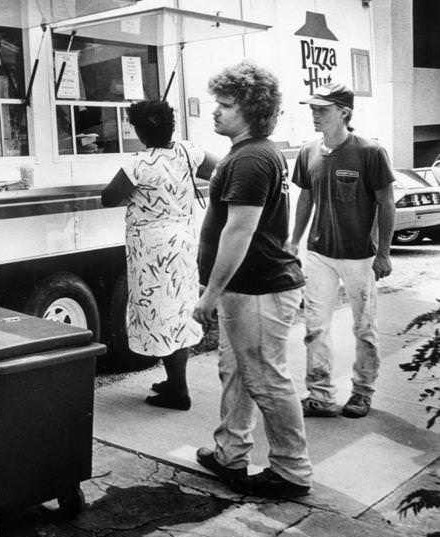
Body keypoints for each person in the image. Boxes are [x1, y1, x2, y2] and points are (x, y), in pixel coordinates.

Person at [192, 61, 312, 499]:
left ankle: (292, 470)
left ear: (251, 109)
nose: (216, 112)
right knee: (237, 373)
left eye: (225, 105)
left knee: (265, 377)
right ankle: (230, 453)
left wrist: (209, 295)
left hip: (260, 289)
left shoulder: (250, 159)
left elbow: (238, 232)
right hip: (249, 290)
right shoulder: (253, 154)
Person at [101, 100, 216, 410]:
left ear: (139, 131)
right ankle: (174, 380)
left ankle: (178, 389)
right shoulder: (188, 152)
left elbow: (108, 198)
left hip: (152, 249)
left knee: (161, 313)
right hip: (183, 241)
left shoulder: (139, 164)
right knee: (177, 311)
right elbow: (220, 170)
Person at [290, 83, 395, 419]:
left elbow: (386, 202)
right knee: (315, 326)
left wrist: (384, 252)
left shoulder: (370, 152)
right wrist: (294, 239)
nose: (315, 115)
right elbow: (306, 197)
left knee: (363, 326)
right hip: (319, 253)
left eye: (322, 109)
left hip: (360, 255)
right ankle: (319, 394)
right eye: (312, 109)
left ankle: (363, 391)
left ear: (344, 113)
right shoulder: (308, 151)